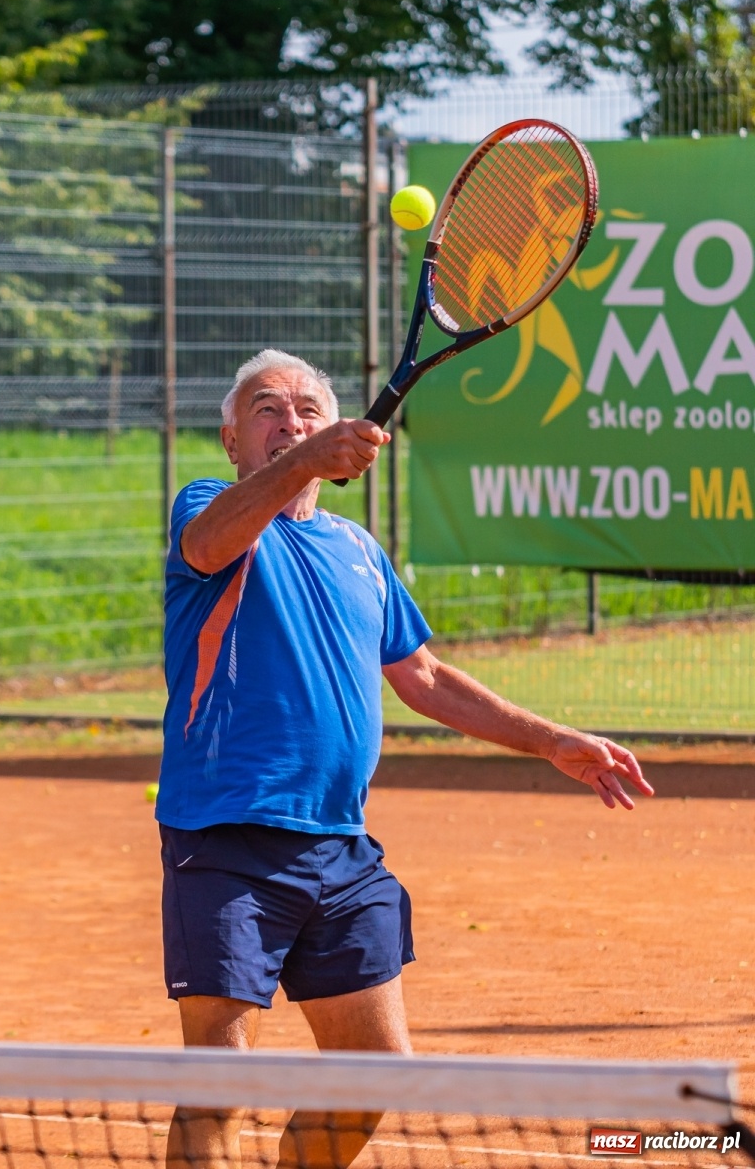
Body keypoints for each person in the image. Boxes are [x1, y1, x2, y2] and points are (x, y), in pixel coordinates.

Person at [157, 348, 654, 1169]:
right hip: (226, 839)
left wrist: (552, 740)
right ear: (231, 440)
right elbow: (211, 546)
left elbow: (422, 676)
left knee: (375, 1074)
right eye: (268, 410)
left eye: (309, 409)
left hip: (341, 850)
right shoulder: (208, 508)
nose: (292, 422)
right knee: (218, 1081)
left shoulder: (357, 551)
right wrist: (311, 459)